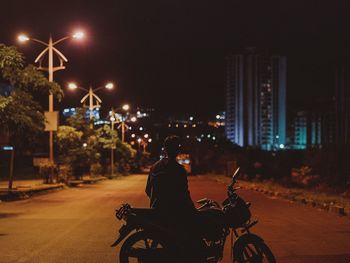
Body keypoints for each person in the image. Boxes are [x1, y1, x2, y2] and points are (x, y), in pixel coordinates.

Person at [145, 135, 203, 262]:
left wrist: (159, 200)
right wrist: (193, 211)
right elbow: (184, 195)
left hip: (157, 209)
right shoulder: (179, 170)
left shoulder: (155, 167)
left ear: (165, 149)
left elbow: (147, 190)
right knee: (196, 225)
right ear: (177, 150)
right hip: (173, 213)